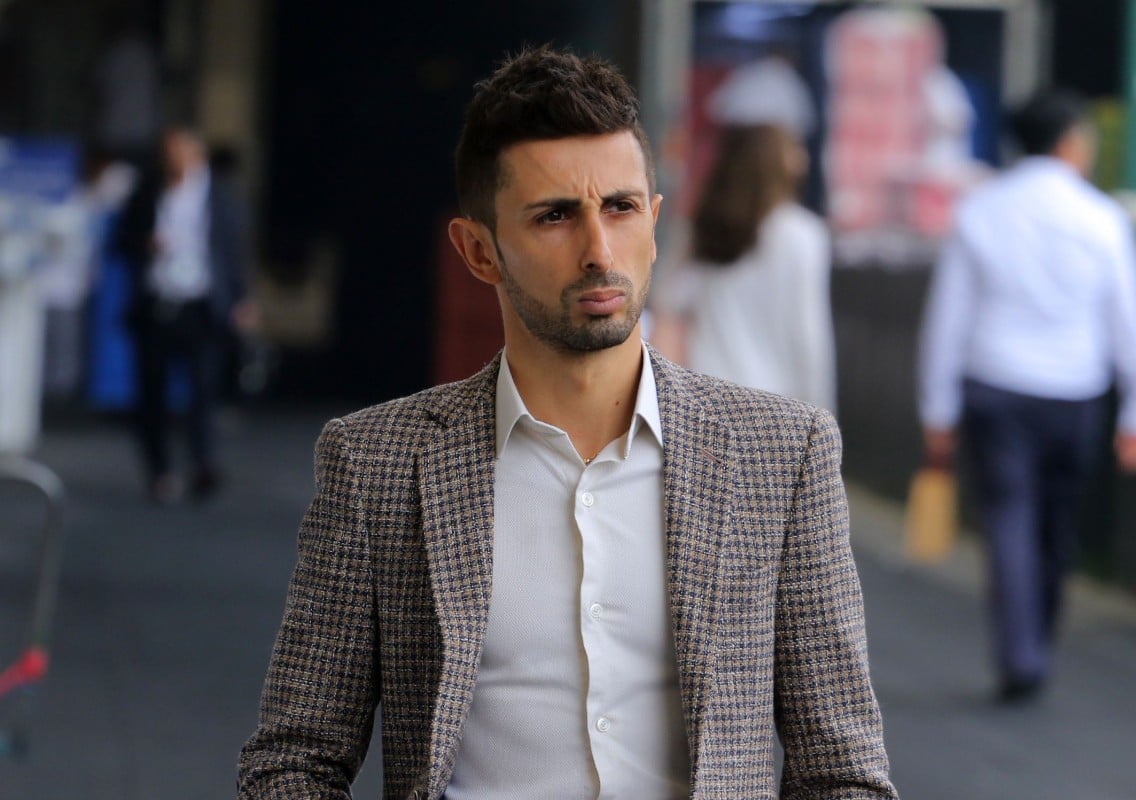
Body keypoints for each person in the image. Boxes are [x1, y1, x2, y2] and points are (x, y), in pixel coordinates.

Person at [238, 46, 896, 799]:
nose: (597, 250)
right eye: (555, 216)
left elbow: (842, 774)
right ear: (478, 251)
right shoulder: (377, 464)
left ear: (653, 222)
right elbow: (292, 761)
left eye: (619, 208)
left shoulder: (782, 455)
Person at [917, 88, 1136, 703]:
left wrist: (937, 409)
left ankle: (1019, 649)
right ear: (1069, 142)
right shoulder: (1102, 218)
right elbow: (1130, 321)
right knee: (1058, 525)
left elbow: (948, 319)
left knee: (1009, 518)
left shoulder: (981, 210)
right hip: (1075, 393)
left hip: (994, 386)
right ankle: (1038, 634)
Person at [654, 57, 835, 411]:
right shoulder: (803, 236)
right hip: (774, 422)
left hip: (705, 414)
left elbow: (667, 313)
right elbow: (810, 345)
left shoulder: (701, 229)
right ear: (779, 154)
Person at [117, 126, 251, 502]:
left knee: (202, 390)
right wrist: (145, 243)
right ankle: (159, 470)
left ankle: (203, 462)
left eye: (180, 154)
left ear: (197, 157)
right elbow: (120, 242)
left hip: (202, 306)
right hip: (157, 304)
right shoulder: (146, 192)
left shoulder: (220, 196)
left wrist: (242, 299)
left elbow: (235, 251)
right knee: (152, 393)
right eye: (167, 154)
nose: (172, 162)